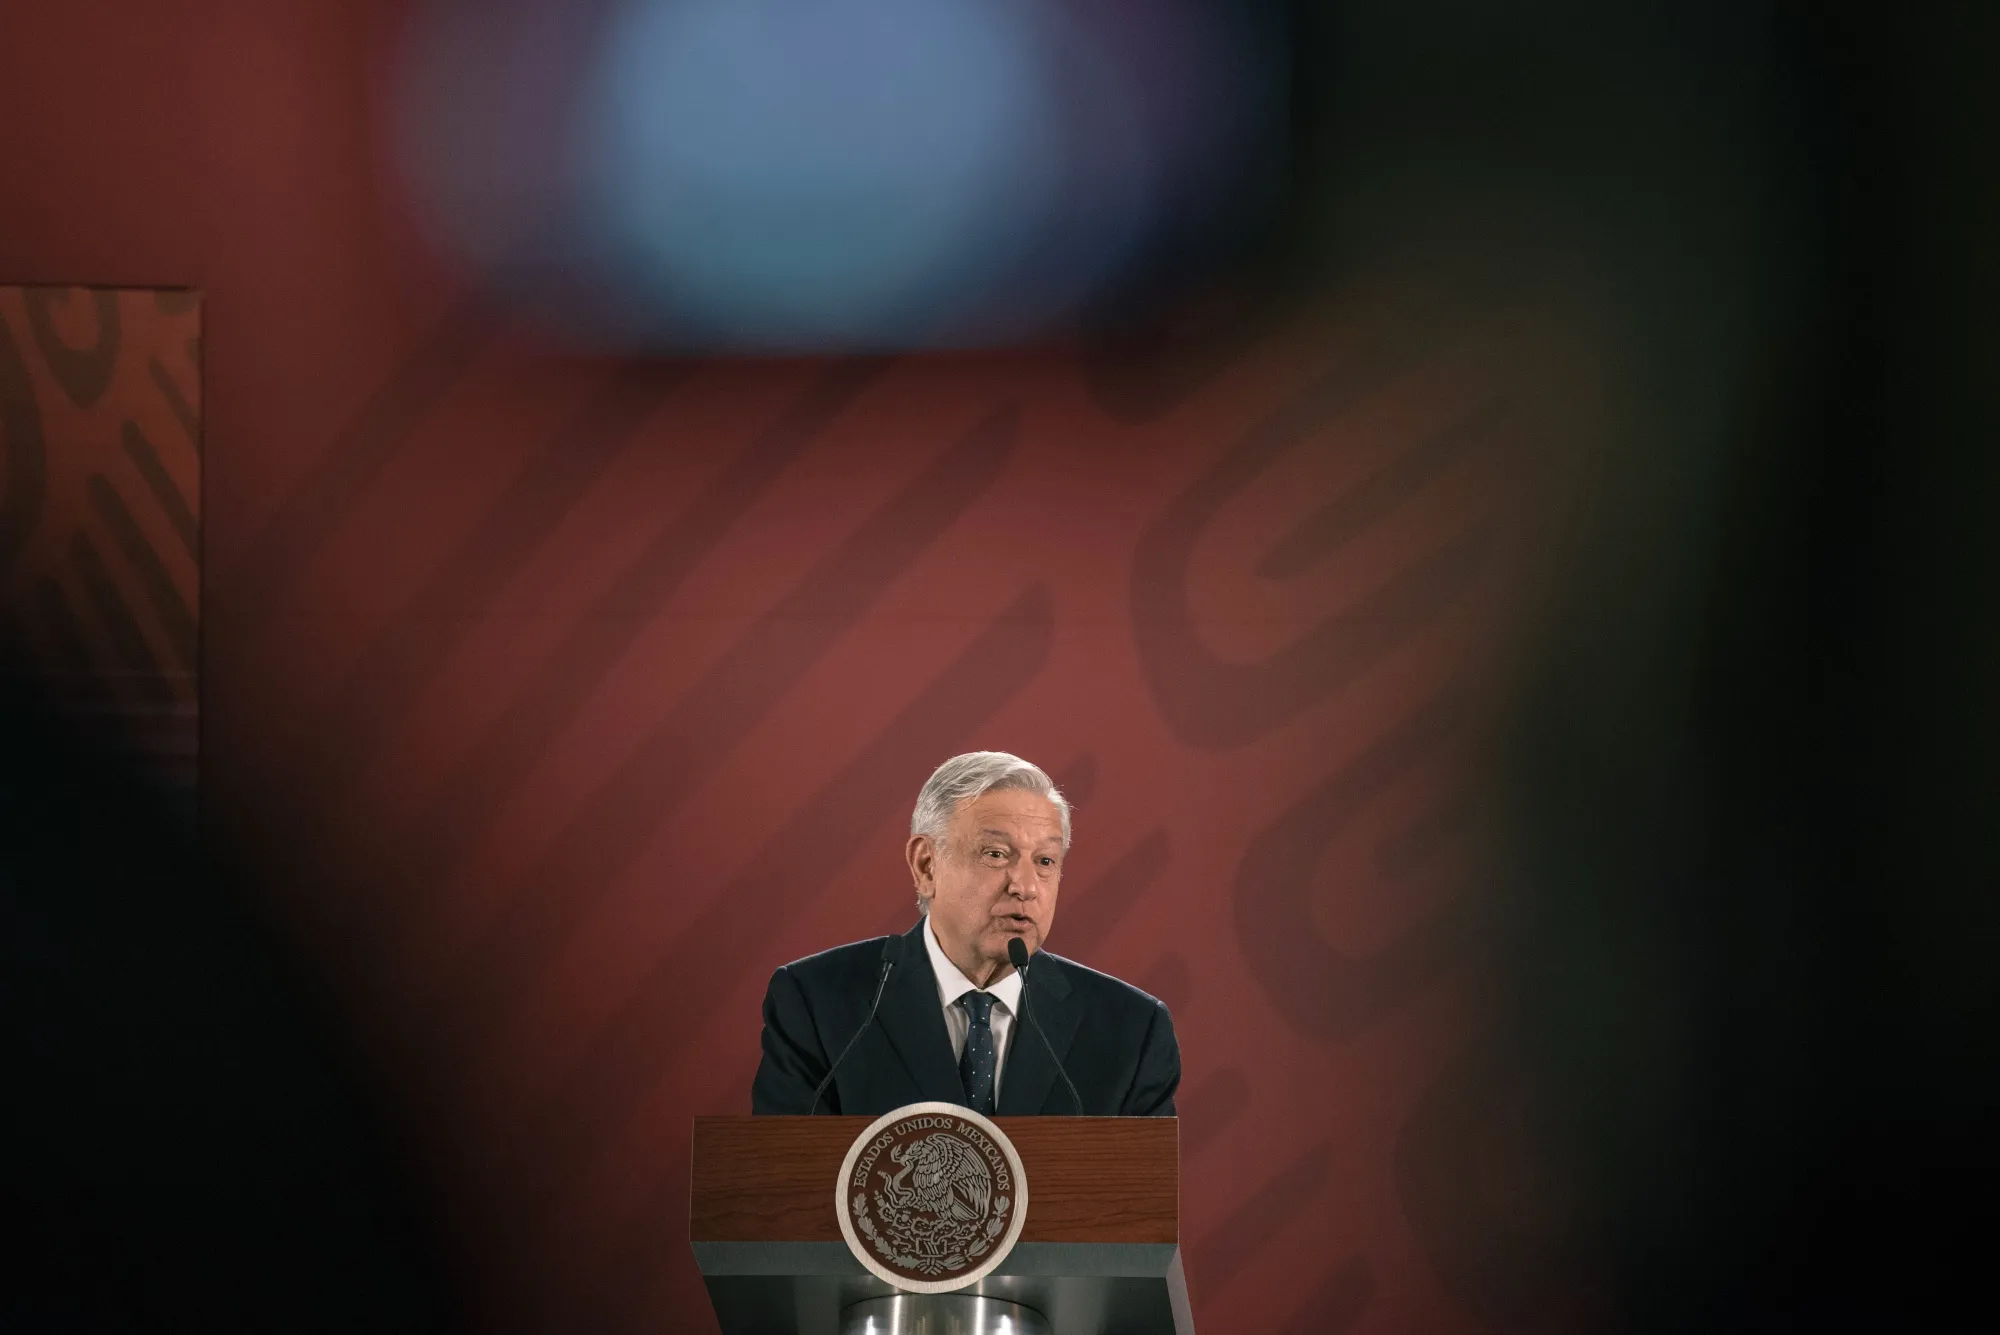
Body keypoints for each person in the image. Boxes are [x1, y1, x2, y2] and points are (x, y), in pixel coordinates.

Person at [751, 751, 1180, 1116]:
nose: (1026, 886)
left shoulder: (1131, 1031)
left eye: (1046, 861)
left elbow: (1141, 1207)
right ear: (926, 865)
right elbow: (780, 1190)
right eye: (996, 854)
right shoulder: (817, 1003)